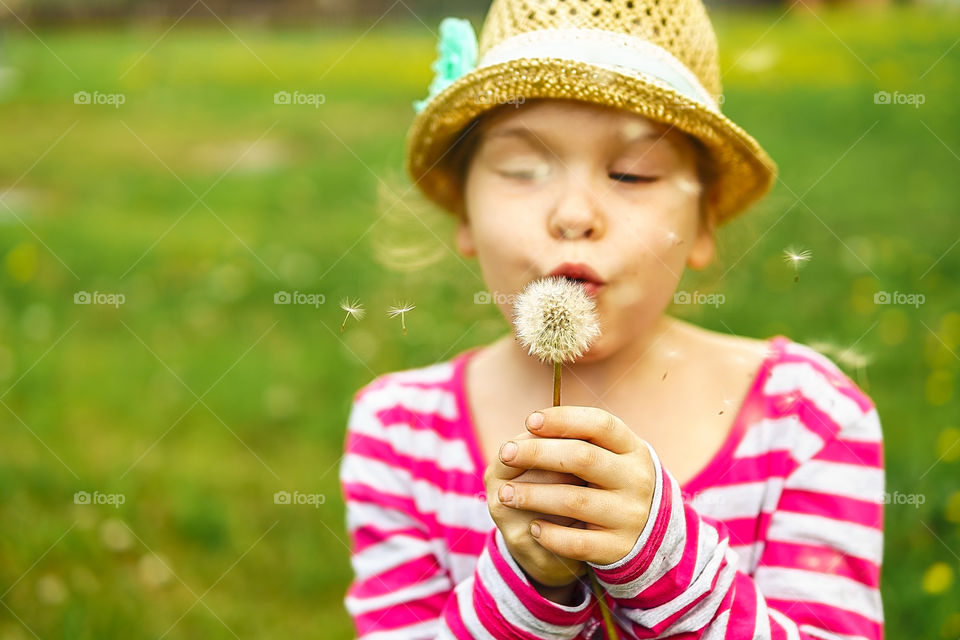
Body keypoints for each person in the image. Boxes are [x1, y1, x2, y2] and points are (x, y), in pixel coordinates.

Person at [339, 0, 884, 637]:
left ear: (704, 223)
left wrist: (660, 561)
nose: (574, 213)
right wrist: (526, 585)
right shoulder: (399, 437)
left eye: (632, 172)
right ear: (463, 212)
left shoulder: (809, 419)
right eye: (522, 169)